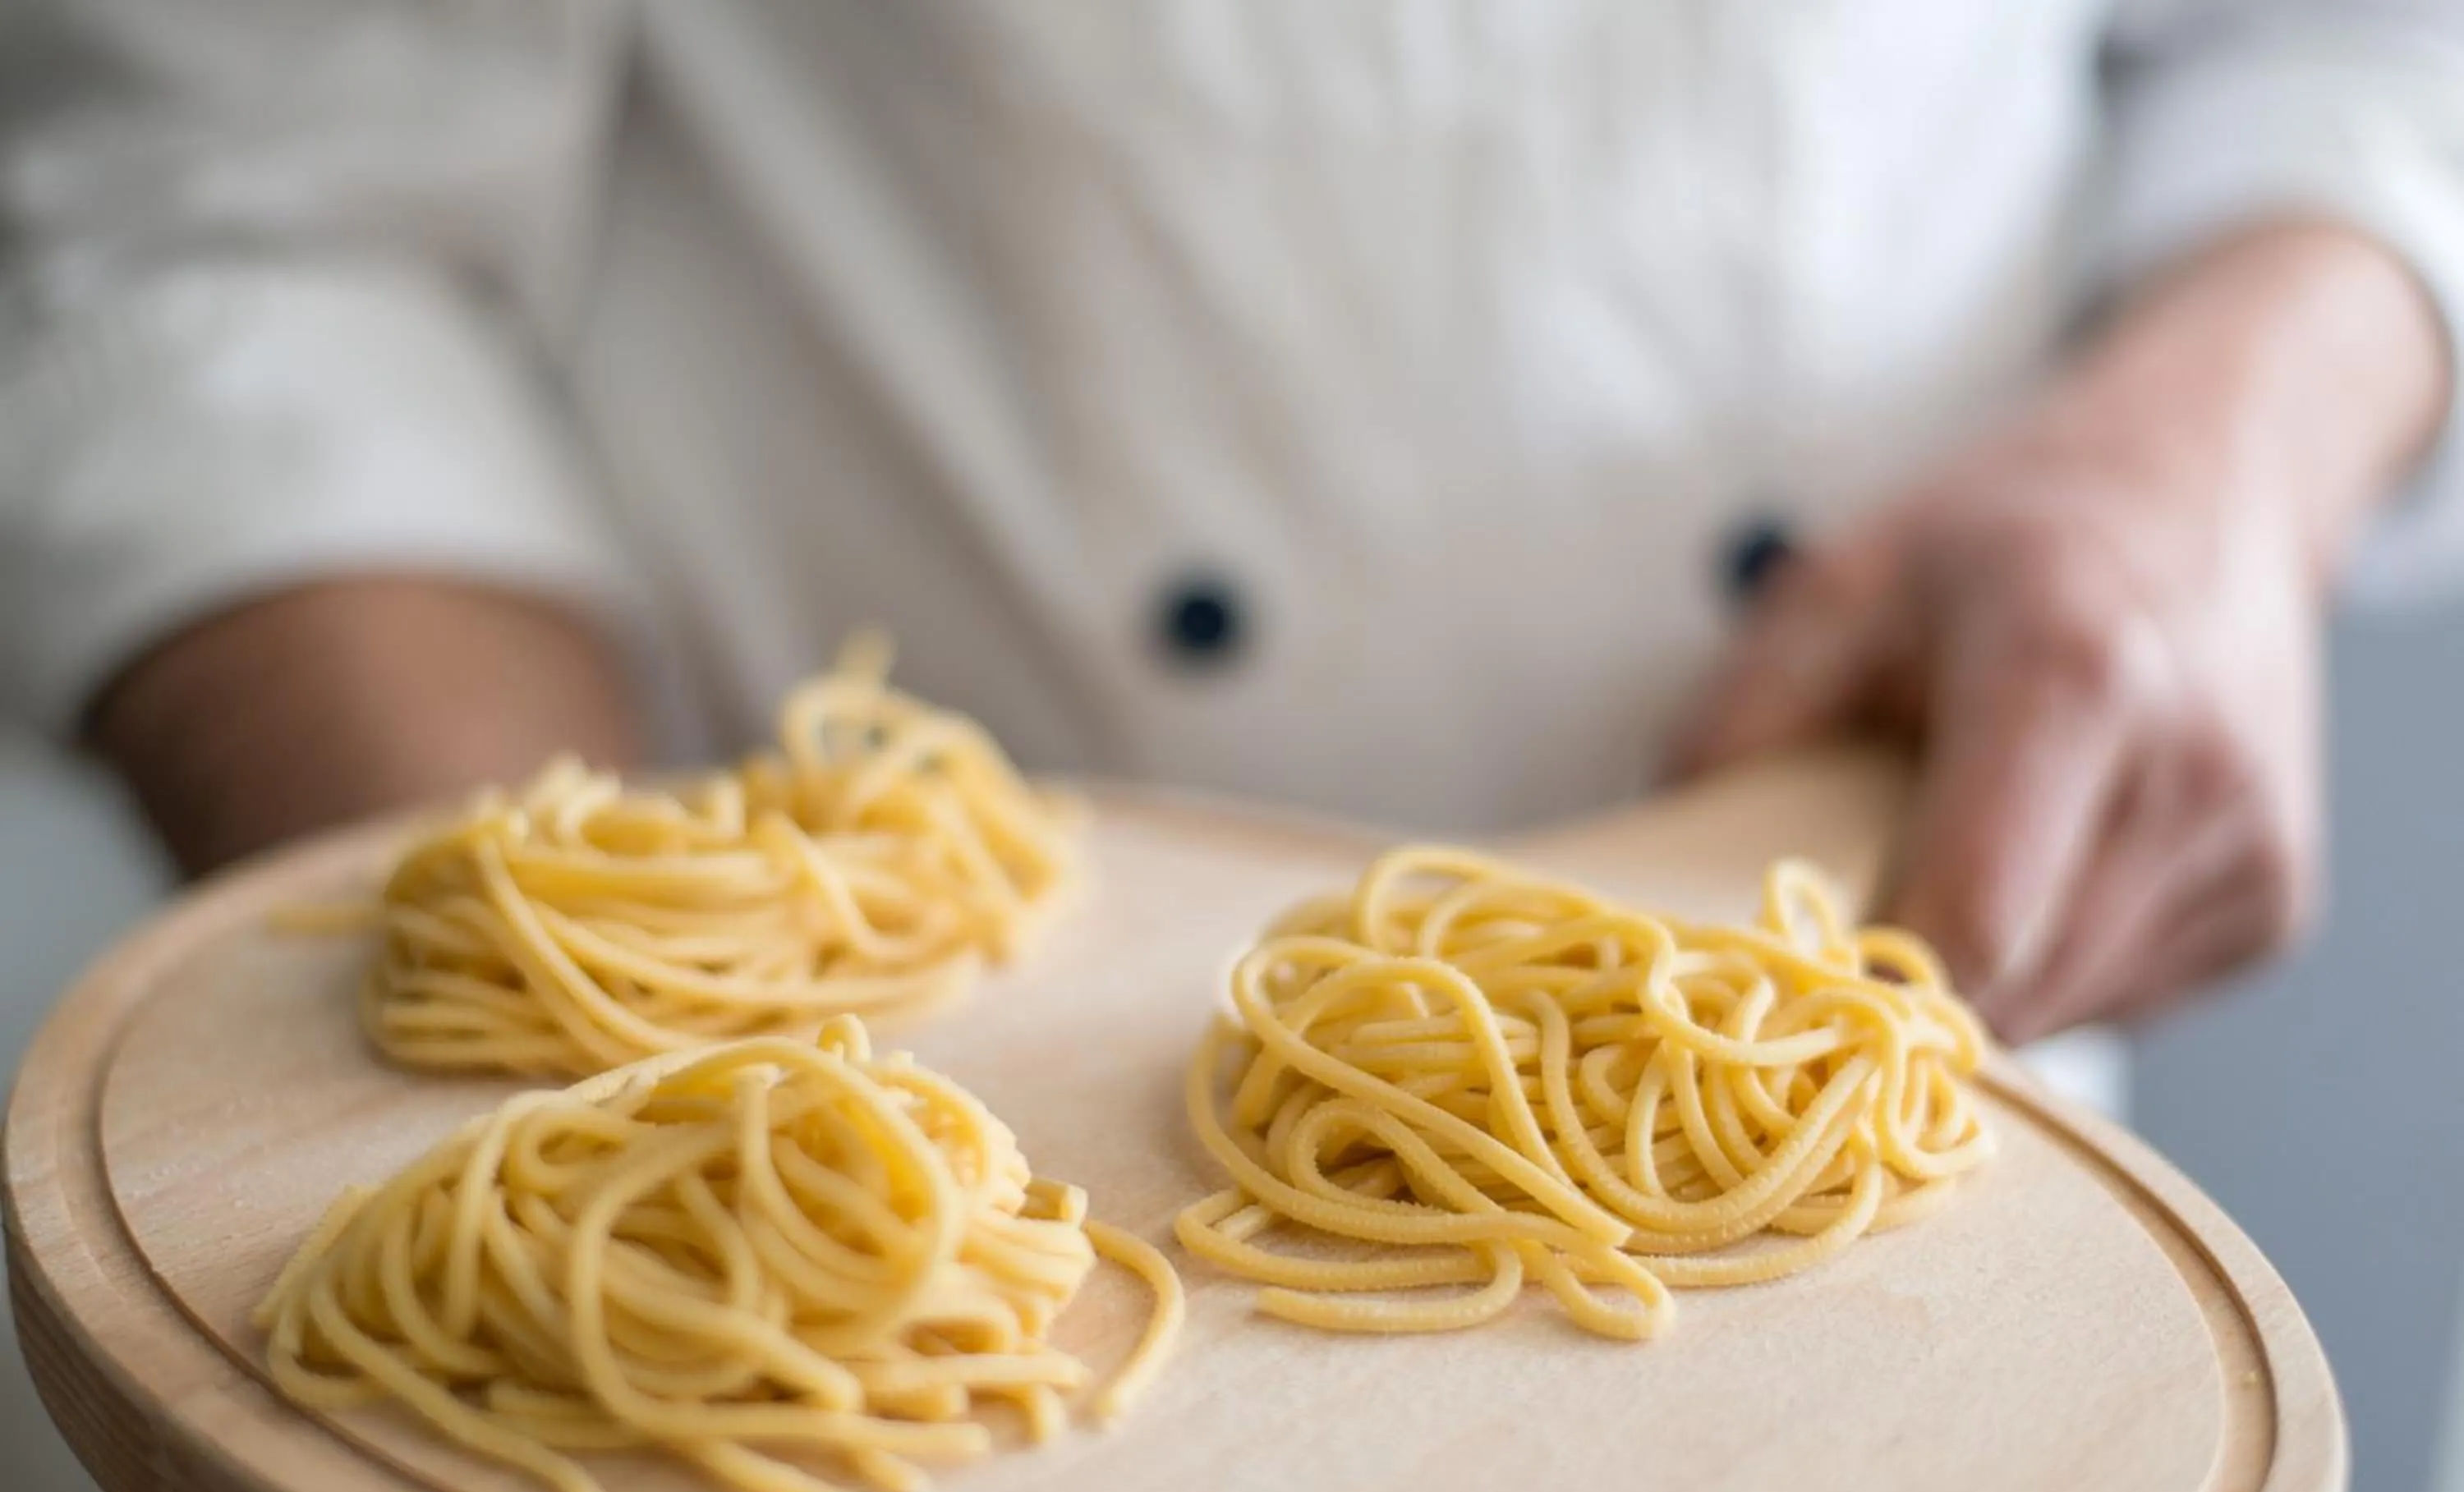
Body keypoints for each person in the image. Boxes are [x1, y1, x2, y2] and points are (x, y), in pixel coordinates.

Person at [1, 0, 2457, 1056]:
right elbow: (231, 227)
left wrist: (2212, 454)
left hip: (1894, 990)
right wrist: (588, 1038)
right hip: (841, 1065)